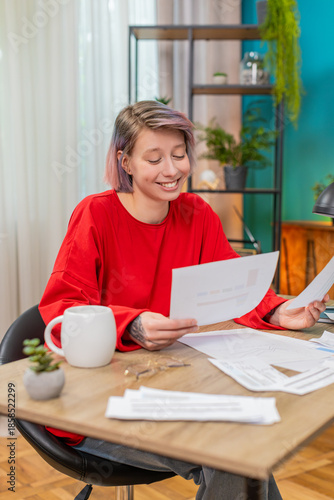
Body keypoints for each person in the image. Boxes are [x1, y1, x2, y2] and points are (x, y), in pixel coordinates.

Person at [39, 100, 328, 499]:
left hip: (174, 383)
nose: (172, 170)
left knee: (244, 450)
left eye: (178, 155)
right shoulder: (95, 215)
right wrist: (134, 325)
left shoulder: (197, 213)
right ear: (125, 161)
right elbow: (62, 307)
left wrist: (279, 311)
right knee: (234, 455)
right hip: (98, 403)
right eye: (154, 158)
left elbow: (235, 289)